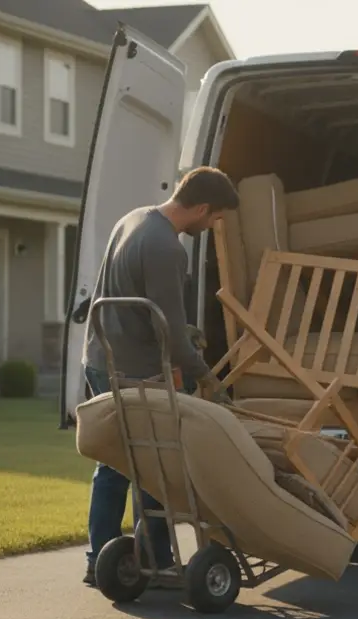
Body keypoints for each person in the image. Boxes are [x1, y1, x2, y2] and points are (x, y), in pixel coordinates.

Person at [80, 166, 239, 586]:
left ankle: (101, 560)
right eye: (215, 218)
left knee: (115, 464)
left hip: (100, 356)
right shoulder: (168, 247)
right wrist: (210, 381)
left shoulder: (132, 220)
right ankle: (157, 559)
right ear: (202, 207)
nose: (213, 226)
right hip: (134, 369)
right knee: (155, 463)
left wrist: (179, 332)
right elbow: (171, 337)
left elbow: (141, 303)